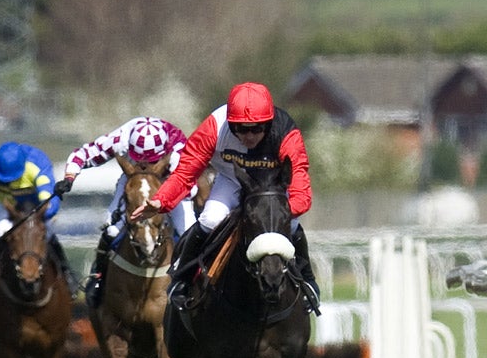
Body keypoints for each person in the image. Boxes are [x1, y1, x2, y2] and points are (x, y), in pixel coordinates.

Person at [131, 82, 319, 312]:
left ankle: (308, 283)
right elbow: (186, 171)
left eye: (257, 128)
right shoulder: (214, 127)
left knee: (291, 222)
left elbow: (300, 183)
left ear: (269, 123)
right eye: (240, 128)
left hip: (271, 187)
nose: (249, 135)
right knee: (210, 219)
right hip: (232, 179)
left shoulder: (287, 132)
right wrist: (161, 201)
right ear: (230, 123)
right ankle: (182, 279)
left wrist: (277, 212)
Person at [53, 116, 196, 308]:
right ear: (129, 148)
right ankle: (99, 277)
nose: (145, 165)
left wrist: (162, 202)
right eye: (140, 160)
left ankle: (195, 284)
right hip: (132, 179)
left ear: (164, 152)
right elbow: (82, 154)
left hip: (171, 181)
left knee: (190, 230)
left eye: (151, 161)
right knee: (111, 229)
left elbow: (190, 188)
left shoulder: (178, 148)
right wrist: (70, 177)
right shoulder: (120, 138)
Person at [0, 141, 78, 302]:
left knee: (49, 236)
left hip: (37, 207)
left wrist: (43, 214)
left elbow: (48, 195)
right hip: (9, 207)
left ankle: (68, 275)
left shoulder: (37, 161)